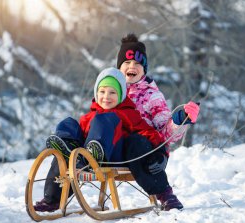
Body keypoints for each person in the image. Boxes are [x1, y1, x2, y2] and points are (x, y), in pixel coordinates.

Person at [34, 67, 165, 212]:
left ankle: (96, 153)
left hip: (112, 155)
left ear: (121, 95)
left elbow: (149, 133)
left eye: (112, 92)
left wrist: (160, 152)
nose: (106, 97)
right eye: (102, 92)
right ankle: (66, 154)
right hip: (83, 157)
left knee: (105, 120)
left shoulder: (129, 115)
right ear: (96, 93)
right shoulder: (89, 117)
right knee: (69, 123)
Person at [116, 33, 200, 211]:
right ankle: (54, 195)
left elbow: (165, 133)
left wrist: (179, 122)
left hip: (145, 151)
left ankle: (165, 193)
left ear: (144, 69)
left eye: (138, 63)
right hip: (112, 150)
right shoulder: (110, 92)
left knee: (135, 141)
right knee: (73, 129)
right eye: (127, 62)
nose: (132, 66)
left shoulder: (151, 96)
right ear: (119, 67)